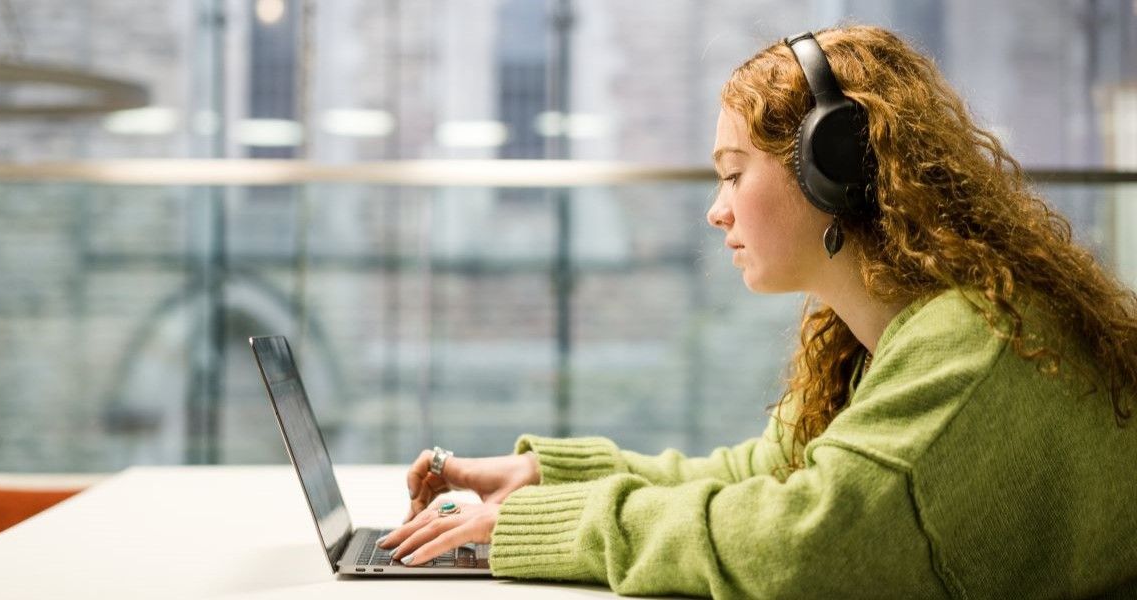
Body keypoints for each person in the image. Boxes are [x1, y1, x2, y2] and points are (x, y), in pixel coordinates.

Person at [375, 25, 1137, 598]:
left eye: (735, 174)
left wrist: (551, 528)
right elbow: (761, 473)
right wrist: (545, 479)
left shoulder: (970, 344)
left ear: (834, 168)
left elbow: (795, 541)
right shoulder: (897, 330)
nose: (716, 211)